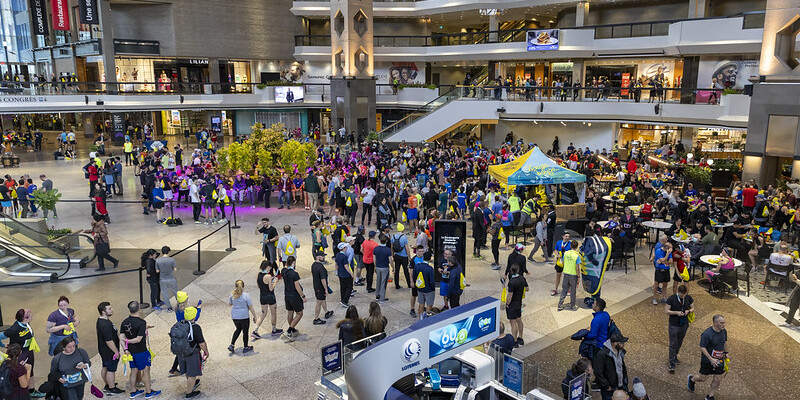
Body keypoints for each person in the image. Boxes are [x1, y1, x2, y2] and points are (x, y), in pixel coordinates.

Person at [120, 301, 161, 399]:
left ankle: (133, 391)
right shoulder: (141, 322)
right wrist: (128, 340)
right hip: (141, 351)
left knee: (133, 370)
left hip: (130, 352)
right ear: (139, 309)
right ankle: (148, 392)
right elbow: (138, 339)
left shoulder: (124, 322)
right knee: (146, 371)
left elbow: (121, 337)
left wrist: (125, 349)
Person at [0, 309, 43, 398]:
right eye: (28, 315)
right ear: (24, 318)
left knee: (30, 370)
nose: (31, 316)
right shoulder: (14, 329)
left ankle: (32, 391)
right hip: (18, 354)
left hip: (28, 350)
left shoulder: (26, 324)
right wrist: (3, 345)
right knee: (21, 373)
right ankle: (20, 393)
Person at [688, 315, 729, 400]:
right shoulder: (707, 334)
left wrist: (726, 352)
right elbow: (702, 347)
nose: (724, 324)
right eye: (721, 323)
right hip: (707, 360)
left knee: (718, 378)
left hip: (719, 359)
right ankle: (692, 379)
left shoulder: (724, 331)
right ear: (715, 323)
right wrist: (711, 359)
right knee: (703, 378)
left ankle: (710, 396)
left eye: (724, 322)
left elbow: (724, 342)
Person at [177, 307, 207, 399]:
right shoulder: (195, 327)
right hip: (192, 353)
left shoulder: (180, 324)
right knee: (192, 373)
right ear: (194, 316)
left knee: (187, 370)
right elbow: (201, 344)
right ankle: (189, 393)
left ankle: (192, 384)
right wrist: (206, 351)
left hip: (181, 352)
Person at [95, 302, 125, 395]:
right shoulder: (106, 325)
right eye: (109, 309)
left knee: (105, 367)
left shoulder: (101, 321)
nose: (112, 310)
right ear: (103, 312)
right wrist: (116, 352)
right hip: (109, 351)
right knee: (111, 369)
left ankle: (108, 384)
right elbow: (109, 341)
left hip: (103, 349)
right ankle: (111, 388)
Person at [665, 284, 694, 373]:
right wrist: (676, 312)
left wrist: (688, 311)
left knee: (680, 341)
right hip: (674, 324)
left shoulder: (688, 298)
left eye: (684, 295)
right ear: (678, 292)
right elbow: (666, 311)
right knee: (673, 343)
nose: (683, 296)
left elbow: (693, 307)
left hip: (684, 324)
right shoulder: (671, 299)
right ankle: (671, 361)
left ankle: (675, 355)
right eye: (681, 294)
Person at [593, 332, 629, 400]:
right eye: (621, 342)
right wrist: (606, 386)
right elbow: (598, 372)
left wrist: (624, 384)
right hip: (609, 389)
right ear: (615, 343)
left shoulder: (621, 352)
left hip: (620, 386)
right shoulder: (602, 354)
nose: (623, 344)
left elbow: (622, 368)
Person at [252, 260, 283, 337]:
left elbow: (259, 286)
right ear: (267, 267)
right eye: (270, 268)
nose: (270, 269)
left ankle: (255, 330)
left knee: (263, 313)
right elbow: (271, 288)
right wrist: (275, 281)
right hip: (270, 297)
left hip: (262, 296)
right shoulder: (268, 276)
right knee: (273, 313)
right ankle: (274, 330)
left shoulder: (258, 275)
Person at [228, 280, 257, 353]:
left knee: (238, 329)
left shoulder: (232, 294)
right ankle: (245, 347)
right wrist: (255, 315)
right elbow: (250, 307)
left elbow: (230, 304)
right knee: (245, 331)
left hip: (235, 316)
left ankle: (232, 344)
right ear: (243, 286)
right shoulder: (246, 295)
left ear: (235, 286)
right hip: (244, 316)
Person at [281, 256, 307, 338]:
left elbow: (285, 267)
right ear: (294, 263)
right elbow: (297, 286)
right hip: (294, 296)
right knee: (299, 313)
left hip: (287, 295)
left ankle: (292, 329)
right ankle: (289, 329)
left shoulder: (283, 271)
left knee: (290, 312)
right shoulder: (294, 274)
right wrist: (303, 296)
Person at [506, 264, 528, 347]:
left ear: (511, 271)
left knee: (513, 322)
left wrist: (507, 303)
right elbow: (527, 288)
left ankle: (514, 341)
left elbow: (510, 295)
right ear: (518, 270)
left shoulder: (511, 282)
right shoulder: (522, 278)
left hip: (513, 304)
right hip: (519, 302)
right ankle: (520, 338)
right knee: (519, 320)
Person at [311, 250, 335, 325]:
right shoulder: (320, 267)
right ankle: (316, 318)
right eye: (322, 256)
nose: (324, 257)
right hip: (320, 287)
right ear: (318, 257)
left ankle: (326, 312)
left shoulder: (314, 265)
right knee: (319, 302)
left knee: (323, 299)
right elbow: (323, 279)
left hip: (316, 285)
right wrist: (326, 289)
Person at [558, 240, 582, 311]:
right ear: (577, 247)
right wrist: (578, 276)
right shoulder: (577, 255)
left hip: (566, 273)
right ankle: (573, 305)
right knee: (573, 290)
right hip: (573, 275)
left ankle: (560, 305)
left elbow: (563, 262)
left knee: (564, 289)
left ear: (570, 246)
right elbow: (577, 267)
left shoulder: (566, 253)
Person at [412, 251, 436, 318]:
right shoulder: (430, 269)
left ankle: (420, 318)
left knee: (421, 304)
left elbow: (414, 277)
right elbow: (431, 281)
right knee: (429, 305)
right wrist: (433, 289)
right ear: (430, 259)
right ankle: (426, 319)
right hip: (428, 290)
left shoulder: (417, 266)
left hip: (420, 289)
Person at [156, 246, 178, 311]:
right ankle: (180, 305)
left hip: (162, 279)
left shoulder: (158, 261)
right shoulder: (172, 260)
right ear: (168, 251)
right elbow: (175, 269)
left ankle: (169, 307)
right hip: (171, 278)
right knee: (176, 292)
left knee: (165, 293)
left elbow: (157, 271)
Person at [652, 236, 672, 305]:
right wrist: (667, 255)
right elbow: (662, 260)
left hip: (666, 269)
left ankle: (664, 297)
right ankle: (654, 298)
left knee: (665, 284)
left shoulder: (669, 251)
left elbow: (670, 261)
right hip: (659, 270)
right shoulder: (659, 251)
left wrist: (664, 260)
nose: (670, 250)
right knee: (656, 284)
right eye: (670, 248)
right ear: (666, 248)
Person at [373, 234, 394, 303]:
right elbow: (390, 259)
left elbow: (374, 258)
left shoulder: (376, 248)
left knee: (378, 281)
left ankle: (377, 295)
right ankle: (382, 298)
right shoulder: (387, 250)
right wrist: (393, 267)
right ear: (386, 241)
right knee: (383, 282)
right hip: (385, 267)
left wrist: (375, 266)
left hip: (378, 266)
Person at [335, 242, 356, 308]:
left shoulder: (337, 255)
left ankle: (342, 299)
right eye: (345, 247)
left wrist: (336, 271)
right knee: (349, 287)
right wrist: (351, 274)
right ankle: (345, 301)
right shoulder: (344, 257)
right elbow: (346, 266)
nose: (347, 248)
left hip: (340, 274)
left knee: (342, 287)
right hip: (346, 274)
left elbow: (336, 264)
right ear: (343, 248)